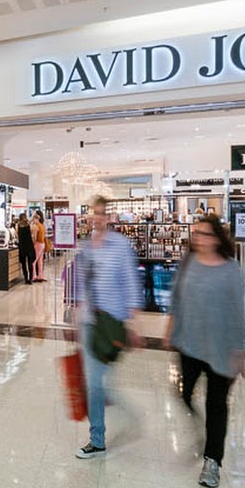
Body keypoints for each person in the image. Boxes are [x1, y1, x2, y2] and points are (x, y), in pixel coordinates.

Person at [167, 215, 245, 487]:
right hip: (189, 342)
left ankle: (212, 461)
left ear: (218, 238)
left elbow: (238, 311)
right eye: (196, 233)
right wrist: (170, 327)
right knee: (183, 392)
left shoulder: (230, 268)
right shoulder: (188, 261)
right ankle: (202, 430)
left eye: (205, 234)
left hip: (221, 346)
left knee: (216, 404)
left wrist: (240, 350)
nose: (198, 238)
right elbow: (176, 296)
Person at [75, 196, 143, 459]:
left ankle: (109, 428)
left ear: (110, 217)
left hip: (112, 322)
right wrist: (78, 310)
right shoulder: (86, 247)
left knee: (98, 384)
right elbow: (83, 283)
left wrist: (133, 322)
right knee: (95, 383)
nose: (98, 218)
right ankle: (98, 438)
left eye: (103, 214)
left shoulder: (120, 245)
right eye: (95, 214)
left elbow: (130, 282)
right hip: (90, 323)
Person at [17, 213, 36, 285]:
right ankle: (30, 279)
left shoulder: (18, 226)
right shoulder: (29, 225)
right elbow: (32, 234)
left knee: (24, 264)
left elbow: (17, 235)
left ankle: (25, 278)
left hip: (22, 246)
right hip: (29, 246)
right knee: (30, 263)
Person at [31, 211, 47, 282]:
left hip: (38, 244)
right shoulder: (42, 225)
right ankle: (40, 276)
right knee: (40, 261)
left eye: (34, 219)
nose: (33, 221)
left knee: (33, 261)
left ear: (36, 219)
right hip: (43, 244)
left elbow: (35, 237)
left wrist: (33, 243)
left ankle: (33, 276)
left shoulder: (36, 226)